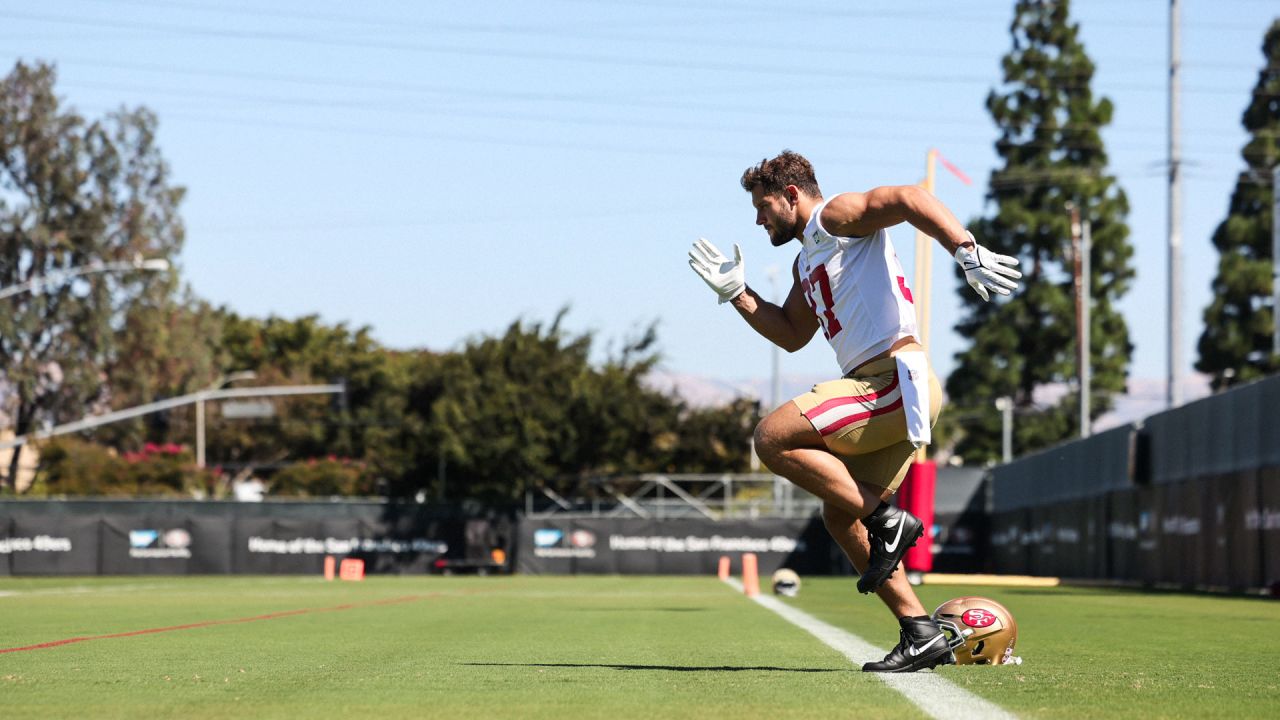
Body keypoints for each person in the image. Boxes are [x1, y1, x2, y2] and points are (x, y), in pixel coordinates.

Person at [687, 150, 1020, 673]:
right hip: (892, 387)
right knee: (841, 516)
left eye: (763, 205)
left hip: (890, 378)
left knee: (772, 437)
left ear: (792, 195)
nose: (758, 219)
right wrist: (737, 293)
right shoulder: (806, 259)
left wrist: (965, 248)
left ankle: (887, 518)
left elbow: (910, 198)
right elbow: (793, 335)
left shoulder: (834, 216)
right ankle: (919, 631)